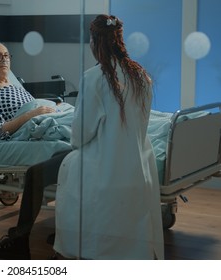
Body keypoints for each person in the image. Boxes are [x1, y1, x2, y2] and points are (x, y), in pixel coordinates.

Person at [53, 14, 164, 259]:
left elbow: (80, 136)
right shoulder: (141, 77)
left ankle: (73, 249)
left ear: (94, 42)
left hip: (106, 168)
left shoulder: (94, 78)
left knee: (68, 167)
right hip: (139, 167)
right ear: (119, 41)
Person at [0, 42, 70, 260]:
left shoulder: (18, 89)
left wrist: (51, 107)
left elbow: (38, 109)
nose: (4, 59)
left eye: (7, 55)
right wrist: (30, 115)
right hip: (33, 124)